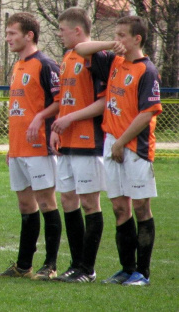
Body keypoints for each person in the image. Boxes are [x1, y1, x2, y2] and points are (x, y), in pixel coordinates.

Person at [74, 15, 162, 286]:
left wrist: (121, 142)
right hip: (113, 143)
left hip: (134, 146)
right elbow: (80, 49)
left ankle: (142, 274)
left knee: (140, 207)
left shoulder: (147, 70)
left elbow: (146, 114)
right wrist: (112, 43)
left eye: (123, 35)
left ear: (137, 39)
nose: (118, 40)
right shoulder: (114, 61)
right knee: (119, 208)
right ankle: (127, 268)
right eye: (116, 34)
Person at [0, 12, 62, 281]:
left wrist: (40, 116)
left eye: (12, 34)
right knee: (26, 206)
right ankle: (23, 266)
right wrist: (11, 147)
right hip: (19, 148)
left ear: (29, 35)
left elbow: (61, 102)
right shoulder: (18, 65)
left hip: (39, 148)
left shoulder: (46, 64)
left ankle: (51, 265)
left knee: (47, 203)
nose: (8, 38)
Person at [48, 7, 107, 283]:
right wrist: (58, 126)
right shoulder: (67, 57)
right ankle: (75, 264)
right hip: (67, 140)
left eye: (62, 30)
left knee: (89, 203)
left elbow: (104, 102)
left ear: (77, 31)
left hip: (87, 139)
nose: (59, 34)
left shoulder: (95, 57)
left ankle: (88, 268)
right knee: (68, 200)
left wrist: (71, 117)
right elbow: (66, 99)